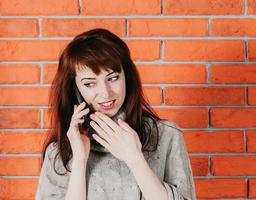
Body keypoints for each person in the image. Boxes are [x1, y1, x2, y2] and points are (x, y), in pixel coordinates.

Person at [35, 28, 196, 200]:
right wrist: (80, 161)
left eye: (113, 78)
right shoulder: (61, 150)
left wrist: (135, 159)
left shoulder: (166, 135)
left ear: (126, 76)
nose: (105, 93)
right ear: (75, 89)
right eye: (90, 84)